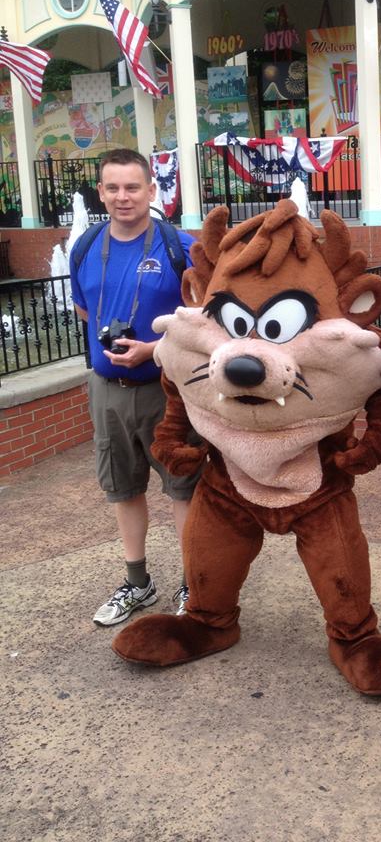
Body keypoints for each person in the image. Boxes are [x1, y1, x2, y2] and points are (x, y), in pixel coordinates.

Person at [70, 148, 200, 627]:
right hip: (107, 389)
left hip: (166, 387)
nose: (122, 197)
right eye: (112, 188)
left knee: (182, 488)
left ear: (151, 190)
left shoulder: (178, 245)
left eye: (132, 187)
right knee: (122, 488)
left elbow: (206, 315)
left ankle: (193, 585)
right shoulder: (85, 246)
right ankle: (137, 582)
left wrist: (153, 348)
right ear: (101, 192)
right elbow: (87, 311)